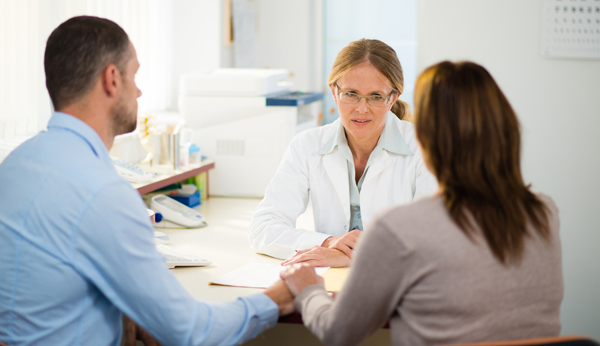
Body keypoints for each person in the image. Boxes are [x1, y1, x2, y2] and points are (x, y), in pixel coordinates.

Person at [0, 16, 293, 346]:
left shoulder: (14, 165)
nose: (138, 90)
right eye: (134, 75)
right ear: (112, 79)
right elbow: (192, 331)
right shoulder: (104, 193)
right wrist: (277, 297)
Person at [278, 61, 564, 346]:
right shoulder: (544, 211)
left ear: (423, 141)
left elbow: (337, 333)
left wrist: (309, 290)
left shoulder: (401, 228)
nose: (362, 107)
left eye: (376, 96)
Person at [249, 39, 438, 267]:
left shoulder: (426, 148)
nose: (361, 108)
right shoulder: (306, 146)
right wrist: (328, 242)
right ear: (334, 92)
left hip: (398, 285)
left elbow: (432, 241)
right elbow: (263, 228)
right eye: (351, 93)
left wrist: (352, 256)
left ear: (393, 98)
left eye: (376, 96)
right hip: (329, 278)